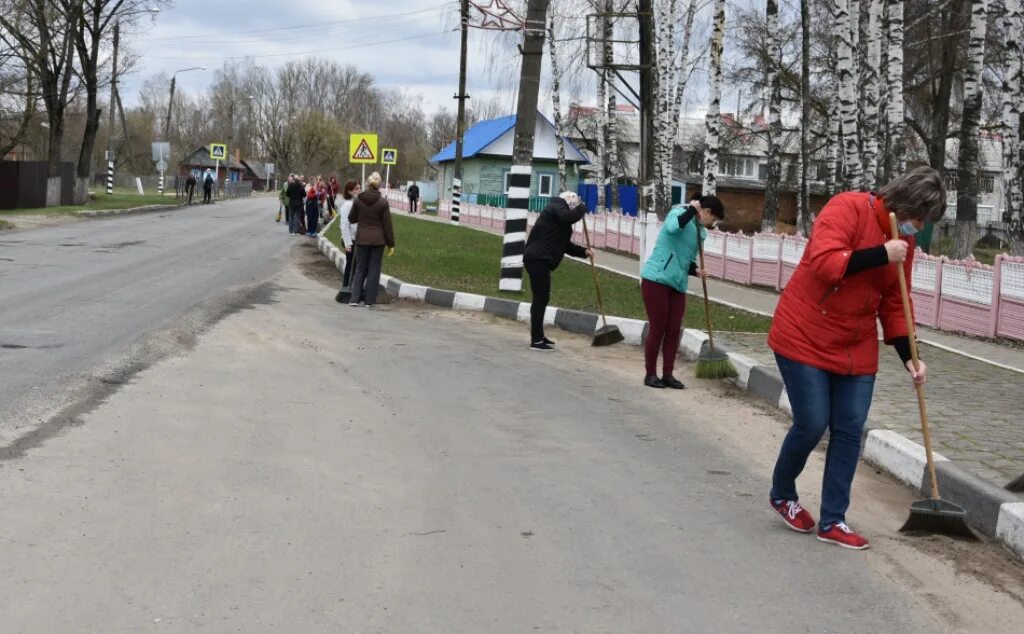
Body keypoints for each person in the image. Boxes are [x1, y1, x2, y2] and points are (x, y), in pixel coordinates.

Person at [767, 166, 945, 550]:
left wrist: (909, 354)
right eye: (919, 218)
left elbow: (897, 299)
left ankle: (834, 520)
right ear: (906, 204)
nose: (919, 227)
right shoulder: (846, 208)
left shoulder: (905, 243)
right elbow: (826, 262)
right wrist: (882, 253)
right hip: (804, 334)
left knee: (849, 429)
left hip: (854, 344)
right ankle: (782, 493)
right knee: (812, 422)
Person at [640, 194, 725, 389]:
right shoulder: (678, 213)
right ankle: (651, 374)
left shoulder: (701, 233)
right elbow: (672, 228)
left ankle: (668, 374)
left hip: (678, 284)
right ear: (706, 212)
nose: (713, 224)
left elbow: (686, 259)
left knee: (673, 330)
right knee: (658, 329)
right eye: (713, 219)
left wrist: (695, 270)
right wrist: (690, 211)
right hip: (656, 279)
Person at [522, 191, 592, 351]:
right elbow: (568, 216)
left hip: (540, 259)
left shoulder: (558, 220)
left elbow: (564, 245)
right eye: (572, 207)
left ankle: (539, 336)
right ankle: (536, 340)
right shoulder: (555, 207)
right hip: (537, 259)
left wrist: (584, 252)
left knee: (542, 298)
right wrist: (582, 209)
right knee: (541, 298)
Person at [347, 172, 394, 308]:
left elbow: (352, 219)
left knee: (360, 268)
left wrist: (361, 215)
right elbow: (387, 225)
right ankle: (369, 301)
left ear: (367, 184)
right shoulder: (383, 202)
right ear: (379, 185)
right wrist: (391, 243)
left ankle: (354, 299)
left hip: (362, 239)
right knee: (374, 269)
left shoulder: (358, 200)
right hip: (378, 241)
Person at [338, 179, 361, 289]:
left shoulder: (357, 203)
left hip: (357, 239)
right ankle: (346, 286)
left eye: (359, 188)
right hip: (350, 240)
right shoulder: (347, 205)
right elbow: (344, 225)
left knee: (355, 265)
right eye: (357, 189)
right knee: (350, 265)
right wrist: (347, 243)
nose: (359, 190)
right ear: (350, 191)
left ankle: (352, 286)